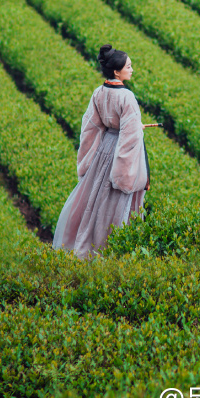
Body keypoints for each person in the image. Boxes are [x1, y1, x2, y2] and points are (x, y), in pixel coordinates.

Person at [51, 44, 153, 261]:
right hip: (117, 153)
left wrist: (86, 161)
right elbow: (129, 138)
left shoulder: (99, 92)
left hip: (104, 150)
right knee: (114, 205)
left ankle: (87, 247)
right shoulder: (127, 98)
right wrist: (125, 175)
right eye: (129, 66)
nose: (132, 69)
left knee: (95, 200)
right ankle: (110, 252)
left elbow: (90, 127)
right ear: (117, 71)